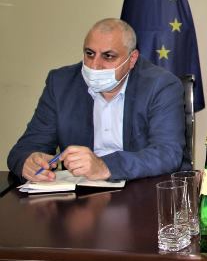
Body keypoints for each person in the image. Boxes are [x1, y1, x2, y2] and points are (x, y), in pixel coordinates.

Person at [7, 18, 187, 182]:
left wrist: (105, 166)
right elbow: (24, 149)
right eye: (89, 53)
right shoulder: (61, 84)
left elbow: (167, 154)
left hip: (143, 189)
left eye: (108, 56)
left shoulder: (160, 85)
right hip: (81, 196)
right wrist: (28, 161)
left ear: (132, 59)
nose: (95, 65)